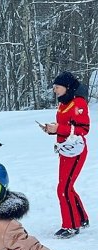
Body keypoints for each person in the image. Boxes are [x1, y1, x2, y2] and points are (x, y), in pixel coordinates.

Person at [41, 70, 90, 237]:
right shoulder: (63, 103)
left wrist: (59, 129)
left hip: (75, 151)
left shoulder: (78, 104)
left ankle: (71, 225)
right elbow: (66, 126)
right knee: (67, 186)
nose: (54, 90)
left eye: (57, 87)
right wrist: (52, 130)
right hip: (65, 150)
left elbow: (83, 129)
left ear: (67, 87)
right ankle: (81, 218)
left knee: (63, 189)